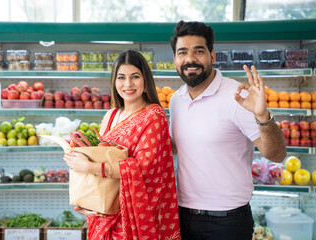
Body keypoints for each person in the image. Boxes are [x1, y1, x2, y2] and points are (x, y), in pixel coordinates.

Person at [168, 20, 287, 240]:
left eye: (198, 51)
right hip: (182, 214)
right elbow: (178, 149)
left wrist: (263, 116)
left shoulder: (237, 96)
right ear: (175, 59)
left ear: (212, 57)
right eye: (182, 52)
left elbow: (277, 155)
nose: (190, 59)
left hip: (227, 221)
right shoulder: (176, 100)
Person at [63, 50, 181, 240]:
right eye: (121, 77)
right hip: (103, 212)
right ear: (114, 82)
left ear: (145, 81)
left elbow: (144, 169)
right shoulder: (110, 115)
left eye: (135, 77)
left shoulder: (154, 116)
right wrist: (87, 201)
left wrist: (89, 167)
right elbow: (98, 159)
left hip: (134, 217)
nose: (128, 84)